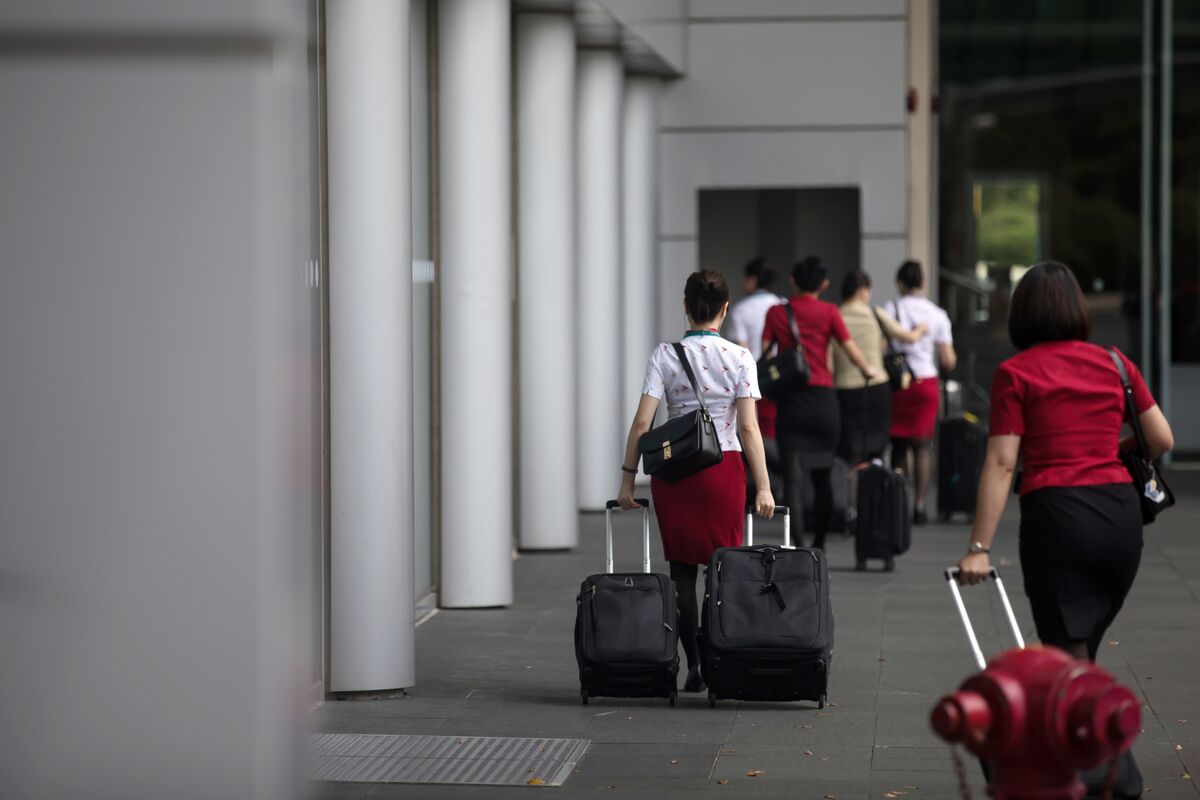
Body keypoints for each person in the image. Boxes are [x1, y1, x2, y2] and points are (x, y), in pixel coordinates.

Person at [957, 261, 1174, 664]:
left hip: (1059, 518)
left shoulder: (1016, 373)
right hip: (1120, 520)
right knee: (1081, 649)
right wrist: (1109, 451)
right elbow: (1161, 438)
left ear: (1022, 313)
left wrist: (978, 548)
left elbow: (1003, 463)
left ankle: (1089, 721)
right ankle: (1082, 716)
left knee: (1066, 652)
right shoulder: (1115, 363)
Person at [618, 270, 775, 694]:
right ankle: (717, 650)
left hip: (675, 472)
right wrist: (763, 486)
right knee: (722, 567)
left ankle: (694, 662)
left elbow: (641, 423)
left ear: (685, 306)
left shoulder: (664, 355)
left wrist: (628, 481)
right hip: (723, 469)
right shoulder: (741, 358)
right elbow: (748, 429)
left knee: (682, 570)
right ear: (725, 310)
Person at [762, 258, 877, 551]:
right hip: (824, 403)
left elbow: (764, 354)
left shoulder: (777, 313)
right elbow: (851, 351)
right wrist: (868, 371)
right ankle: (820, 543)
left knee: (793, 479)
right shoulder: (829, 312)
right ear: (824, 284)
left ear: (793, 280)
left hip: (791, 402)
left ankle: (798, 544)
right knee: (824, 475)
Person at [886, 260, 956, 525]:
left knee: (899, 445)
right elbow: (948, 360)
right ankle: (920, 503)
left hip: (899, 385)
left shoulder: (890, 309)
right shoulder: (937, 314)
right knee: (923, 446)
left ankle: (901, 500)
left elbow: (882, 348)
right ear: (923, 282)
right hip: (926, 383)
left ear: (900, 283)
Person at [725, 257, 785, 502]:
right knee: (775, 433)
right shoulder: (783, 305)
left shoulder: (741, 310)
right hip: (781, 380)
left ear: (751, 279)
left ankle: (758, 488)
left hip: (753, 379)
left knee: (751, 432)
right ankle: (777, 487)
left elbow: (741, 350)